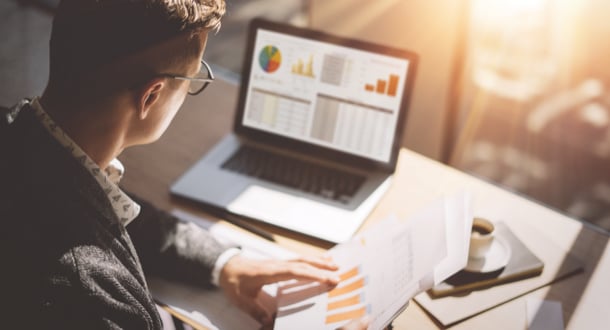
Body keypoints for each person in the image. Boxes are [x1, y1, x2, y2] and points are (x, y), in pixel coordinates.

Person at [0, 0, 369, 329]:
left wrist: (222, 263)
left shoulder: (23, 141)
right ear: (152, 95)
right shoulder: (92, 296)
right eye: (193, 79)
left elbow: (101, 208)